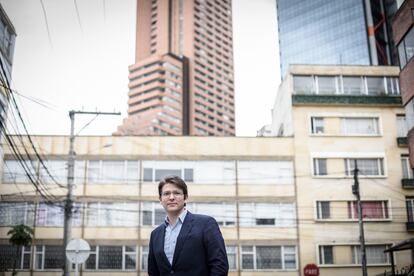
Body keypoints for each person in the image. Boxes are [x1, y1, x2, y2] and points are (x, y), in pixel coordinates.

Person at [147, 175, 229, 276]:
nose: (171, 197)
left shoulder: (206, 224)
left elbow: (219, 266)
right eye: (166, 194)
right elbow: (153, 272)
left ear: (185, 197)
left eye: (176, 193)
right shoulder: (155, 235)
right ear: (160, 199)